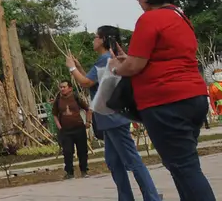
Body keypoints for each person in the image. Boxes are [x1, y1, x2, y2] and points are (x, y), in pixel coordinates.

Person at [110, 0, 216, 201]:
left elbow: (135, 66)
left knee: (185, 167)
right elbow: (162, 56)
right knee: (182, 165)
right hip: (194, 97)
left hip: (166, 101)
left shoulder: (150, 19)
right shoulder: (179, 16)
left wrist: (116, 68)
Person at [66, 26, 161, 201]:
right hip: (107, 118)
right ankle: (126, 197)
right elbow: (94, 82)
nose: (93, 40)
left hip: (113, 118)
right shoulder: (104, 59)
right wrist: (79, 67)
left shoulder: (105, 58)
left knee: (132, 160)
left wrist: (72, 69)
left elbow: (86, 82)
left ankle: (152, 197)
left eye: (96, 37)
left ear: (102, 39)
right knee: (114, 162)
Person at [51, 81, 90, 179]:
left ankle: (84, 170)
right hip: (66, 131)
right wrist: (59, 126)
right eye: (61, 87)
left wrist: (88, 122)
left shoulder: (76, 98)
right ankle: (69, 172)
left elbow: (88, 109)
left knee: (82, 151)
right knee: (67, 151)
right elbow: (55, 114)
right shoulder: (58, 100)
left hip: (79, 128)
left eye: (64, 87)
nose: (62, 89)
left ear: (70, 88)